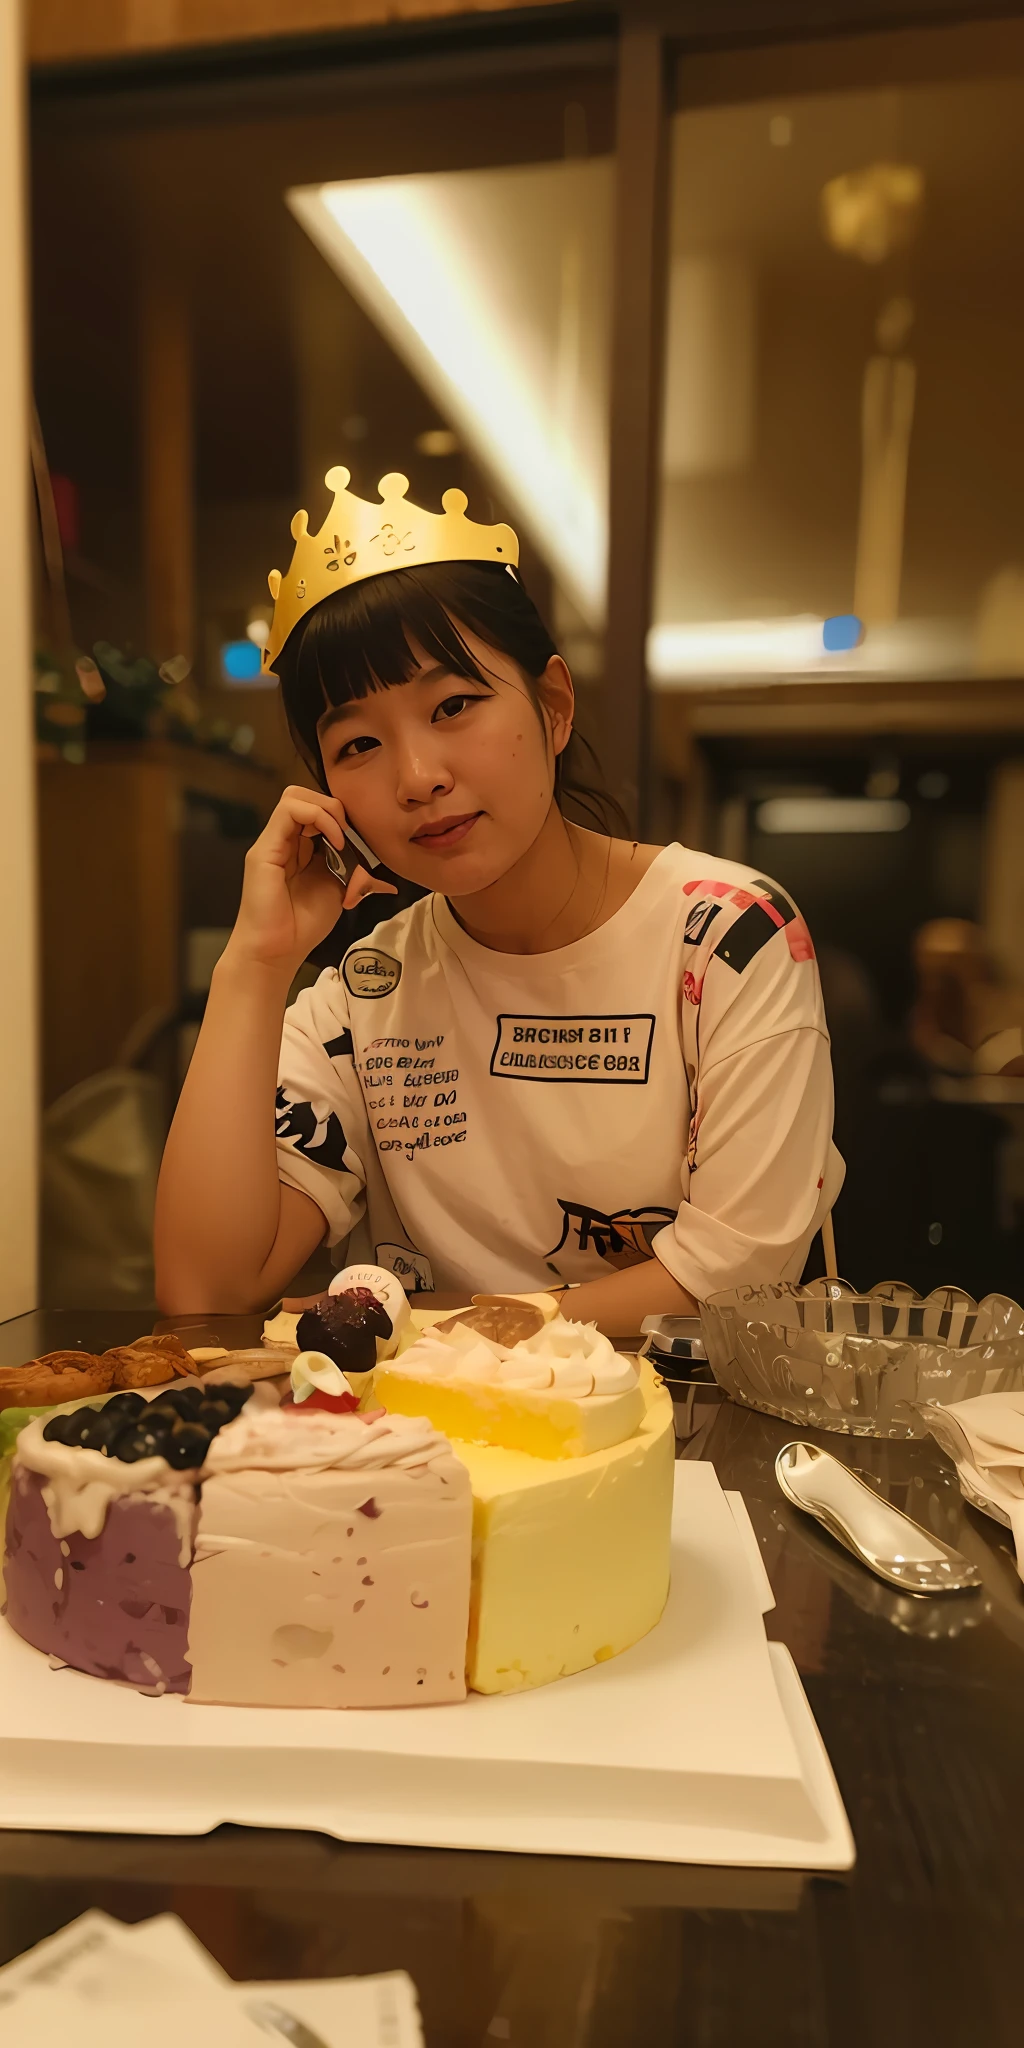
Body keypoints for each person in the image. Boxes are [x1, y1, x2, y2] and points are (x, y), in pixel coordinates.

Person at [155, 468, 843, 1331]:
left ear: (553, 706)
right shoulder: (366, 992)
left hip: (686, 1451)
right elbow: (205, 1291)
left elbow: (731, 1278)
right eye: (359, 741)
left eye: (454, 704)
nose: (418, 778)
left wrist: (440, 1319)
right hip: (442, 1455)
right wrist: (255, 967)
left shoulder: (725, 934)